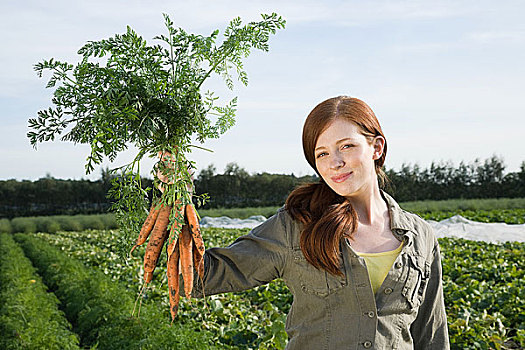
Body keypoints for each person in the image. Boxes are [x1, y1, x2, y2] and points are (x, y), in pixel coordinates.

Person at [191, 96, 450, 349]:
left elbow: (432, 336)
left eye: (346, 146)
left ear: (377, 147)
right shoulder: (296, 227)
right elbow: (200, 277)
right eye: (322, 153)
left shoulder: (420, 236)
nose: (335, 163)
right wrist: (174, 204)